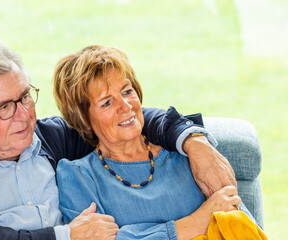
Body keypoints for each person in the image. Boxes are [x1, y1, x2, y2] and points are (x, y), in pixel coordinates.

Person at [0, 38, 233, 240]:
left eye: (24, 97)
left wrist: (193, 141)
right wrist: (65, 236)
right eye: (4, 107)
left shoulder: (54, 138)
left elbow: (126, 118)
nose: (23, 114)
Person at [54, 45, 256, 239]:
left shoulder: (188, 153)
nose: (126, 107)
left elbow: (240, 222)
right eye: (107, 102)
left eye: (127, 91)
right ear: (84, 119)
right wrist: (197, 222)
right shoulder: (78, 177)